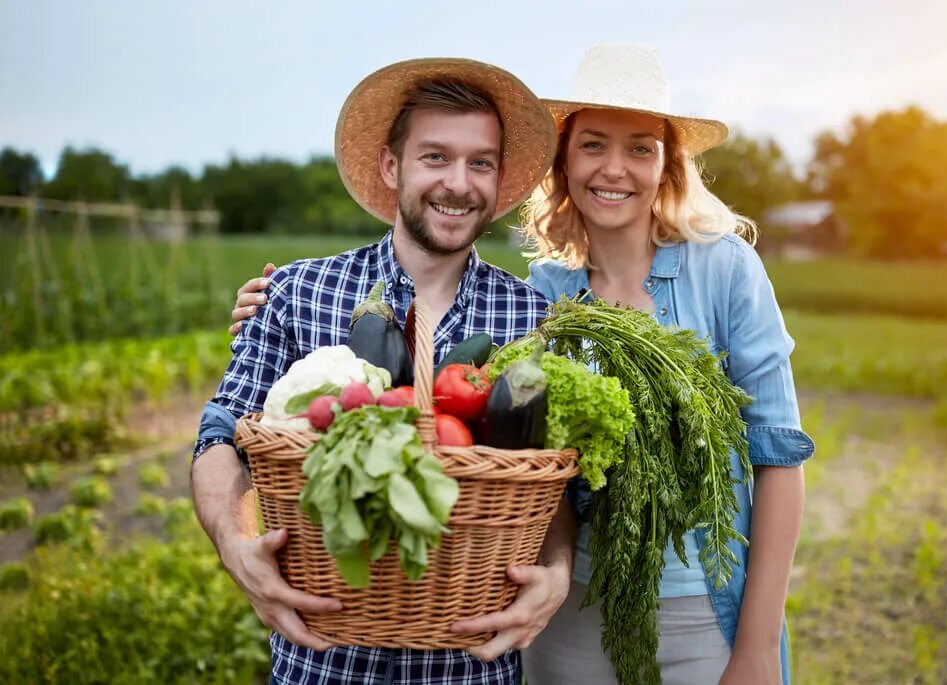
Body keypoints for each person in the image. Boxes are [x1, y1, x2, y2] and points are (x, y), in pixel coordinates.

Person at [231, 44, 814, 685]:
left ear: (667, 166)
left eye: (641, 147)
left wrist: (757, 647)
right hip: (569, 609)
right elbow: (534, 464)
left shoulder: (724, 270)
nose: (614, 168)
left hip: (705, 603)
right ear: (564, 162)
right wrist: (271, 303)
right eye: (593, 144)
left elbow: (778, 453)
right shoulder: (543, 297)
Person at [191, 57, 577, 685]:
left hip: (470, 666)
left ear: (499, 178)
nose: (459, 182)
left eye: (480, 162)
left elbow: (553, 479)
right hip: (322, 660)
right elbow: (220, 435)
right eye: (435, 157)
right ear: (391, 166)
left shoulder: (538, 319)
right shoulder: (295, 292)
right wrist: (235, 547)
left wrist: (556, 571)